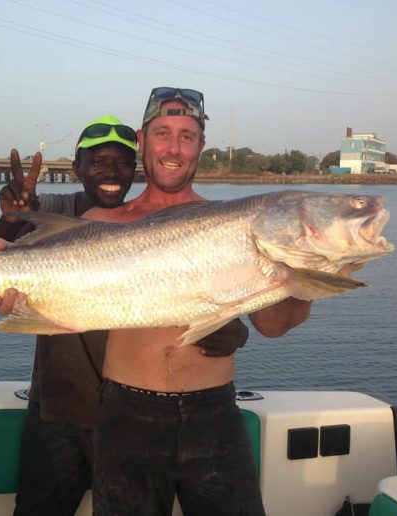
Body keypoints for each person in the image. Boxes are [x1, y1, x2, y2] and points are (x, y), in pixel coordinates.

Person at [0, 115, 250, 516]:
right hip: (60, 408)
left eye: (123, 163)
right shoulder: (54, 209)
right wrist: (13, 218)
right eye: (98, 162)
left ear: (136, 166)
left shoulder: (154, 229)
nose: (111, 172)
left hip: (126, 412)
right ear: (77, 168)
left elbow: (186, 294)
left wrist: (233, 328)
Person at [80, 88, 312, 516]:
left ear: (201, 147)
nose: (174, 148)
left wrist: (308, 271)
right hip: (126, 415)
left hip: (214, 412)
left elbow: (274, 326)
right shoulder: (100, 224)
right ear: (142, 140)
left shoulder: (236, 223)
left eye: (187, 137)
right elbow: (49, 300)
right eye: (163, 133)